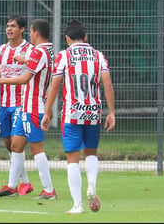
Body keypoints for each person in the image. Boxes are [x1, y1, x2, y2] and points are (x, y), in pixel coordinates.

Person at [41, 19, 115, 214]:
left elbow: (55, 85)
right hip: (93, 112)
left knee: (72, 157)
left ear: (67, 38)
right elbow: (107, 83)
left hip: (72, 113)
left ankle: (77, 204)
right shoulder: (98, 56)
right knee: (91, 153)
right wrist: (112, 112)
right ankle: (91, 184)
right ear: (86, 37)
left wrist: (48, 111)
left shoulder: (64, 56)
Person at [0, 19, 57, 199]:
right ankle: (12, 187)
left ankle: (49, 190)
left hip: (33, 106)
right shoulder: (47, 50)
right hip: (26, 106)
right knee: (16, 145)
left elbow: (24, 79)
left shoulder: (38, 51)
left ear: (34, 32)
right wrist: (25, 60)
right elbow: (39, 66)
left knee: (36, 147)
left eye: (31, 33)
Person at [0, 15, 33, 196]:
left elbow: (32, 75)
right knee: (7, 143)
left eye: (13, 26)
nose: (9, 29)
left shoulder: (29, 51)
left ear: (22, 29)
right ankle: (25, 183)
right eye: (7, 26)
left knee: (16, 144)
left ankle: (11, 187)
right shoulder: (1, 51)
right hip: (5, 104)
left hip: (23, 103)